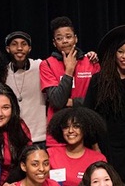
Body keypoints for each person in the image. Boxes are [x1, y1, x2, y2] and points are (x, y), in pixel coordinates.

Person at [84, 24, 125, 186]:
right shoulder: (99, 80)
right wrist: (95, 147)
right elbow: (88, 116)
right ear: (114, 53)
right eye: (121, 52)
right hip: (105, 146)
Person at [39, 16, 100, 146]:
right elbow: (57, 101)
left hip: (87, 134)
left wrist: (72, 102)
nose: (65, 41)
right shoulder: (47, 64)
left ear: (75, 38)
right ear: (54, 43)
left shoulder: (91, 62)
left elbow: (98, 101)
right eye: (59, 38)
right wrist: (69, 71)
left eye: (68, 36)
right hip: (58, 137)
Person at [46, 106, 108, 186]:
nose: (70, 131)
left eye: (76, 126)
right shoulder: (50, 154)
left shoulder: (98, 159)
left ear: (85, 129)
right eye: (66, 127)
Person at [4, 31, 47, 145]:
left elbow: (62, 62)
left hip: (40, 137)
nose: (19, 48)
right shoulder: (3, 72)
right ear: (8, 49)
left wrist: (88, 56)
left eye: (24, 44)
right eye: (14, 44)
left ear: (29, 49)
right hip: (14, 138)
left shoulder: (40, 66)